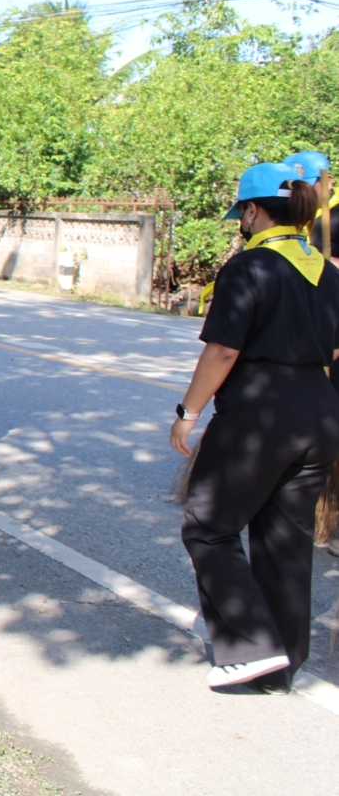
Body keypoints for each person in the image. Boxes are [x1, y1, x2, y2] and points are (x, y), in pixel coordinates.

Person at [171, 161, 339, 691]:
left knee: (207, 525)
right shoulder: (326, 270)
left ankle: (251, 645)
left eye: (241, 215)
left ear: (251, 211)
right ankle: (279, 667)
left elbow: (222, 351)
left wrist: (189, 413)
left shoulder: (248, 267)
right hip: (319, 410)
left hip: (260, 414)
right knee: (285, 539)